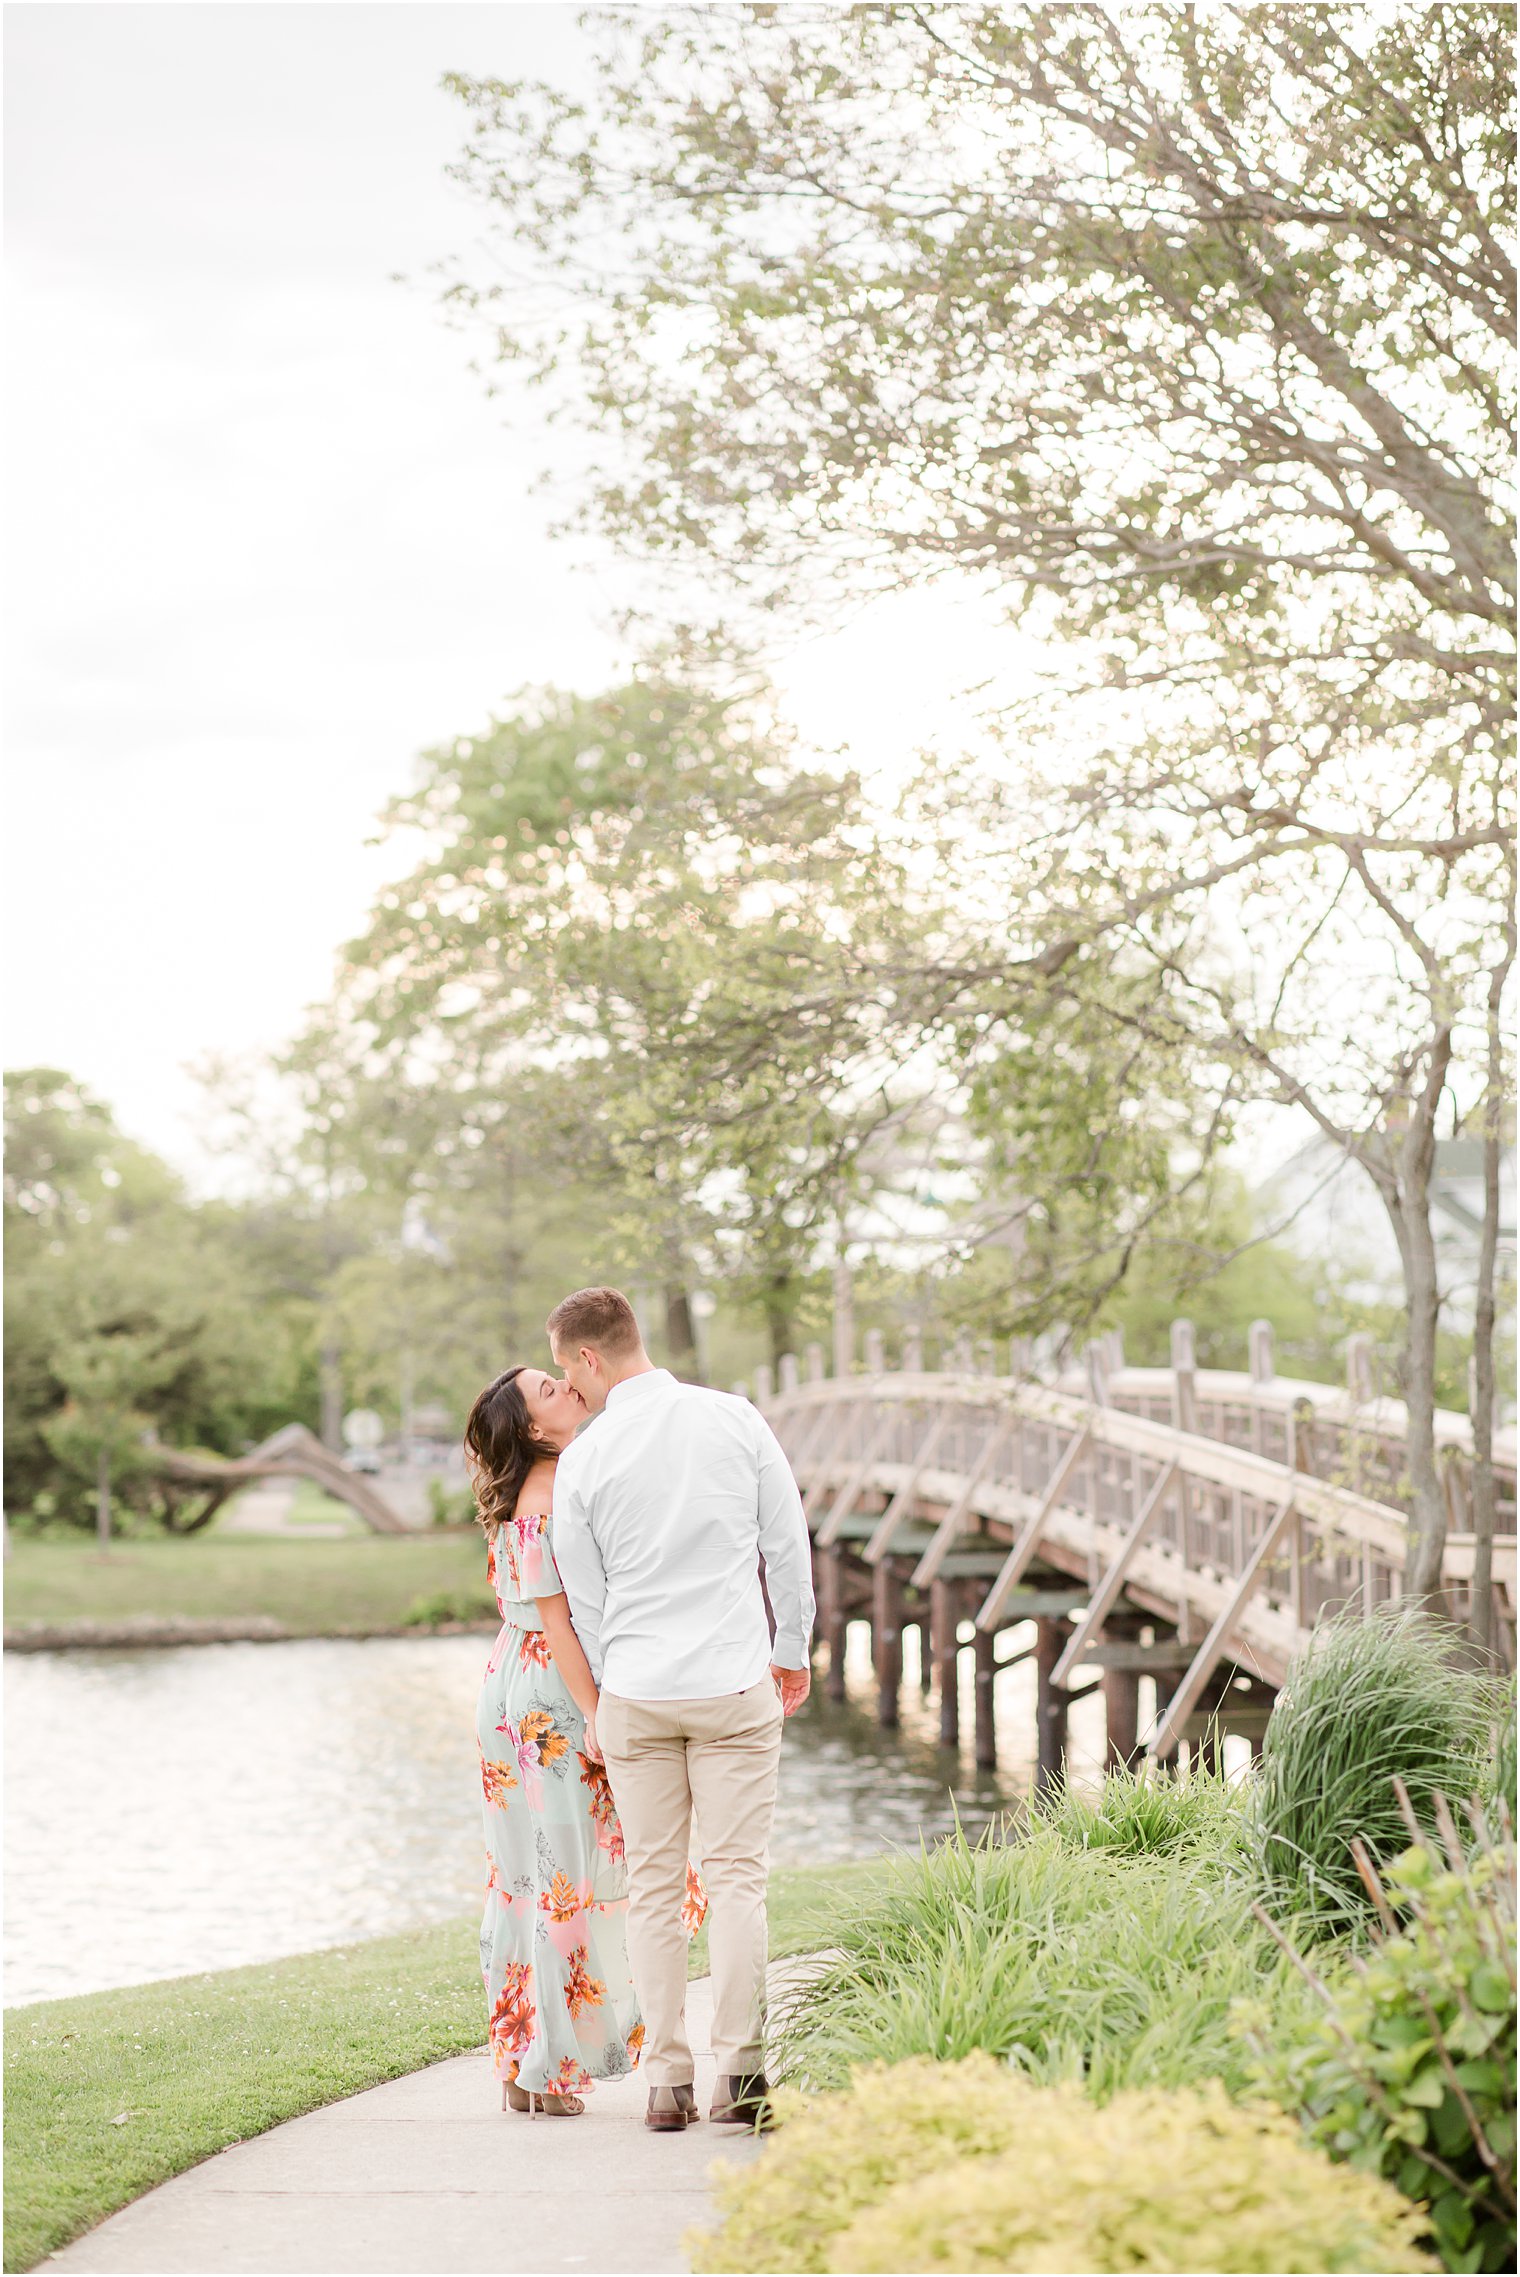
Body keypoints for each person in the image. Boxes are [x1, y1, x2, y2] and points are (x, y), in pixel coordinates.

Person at [546, 1285, 815, 2135]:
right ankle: (741, 2072)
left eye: (566, 1369)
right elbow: (786, 1543)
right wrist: (792, 1651)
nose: (570, 1388)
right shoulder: (734, 1419)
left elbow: (583, 1596)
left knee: (656, 1889)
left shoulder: (586, 1457)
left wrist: (616, 1676)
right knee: (737, 1877)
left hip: (637, 1692)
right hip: (734, 1682)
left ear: (590, 1356)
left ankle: (667, 2082)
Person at [463, 1365, 705, 2119]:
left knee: (526, 1876)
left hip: (511, 1680)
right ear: (533, 1427)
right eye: (549, 1389)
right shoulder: (545, 1498)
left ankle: (523, 2063)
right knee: (566, 1873)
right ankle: (551, 2066)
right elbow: (560, 1621)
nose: (569, 1385)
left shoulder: (543, 1487)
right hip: (550, 1697)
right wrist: (597, 1711)